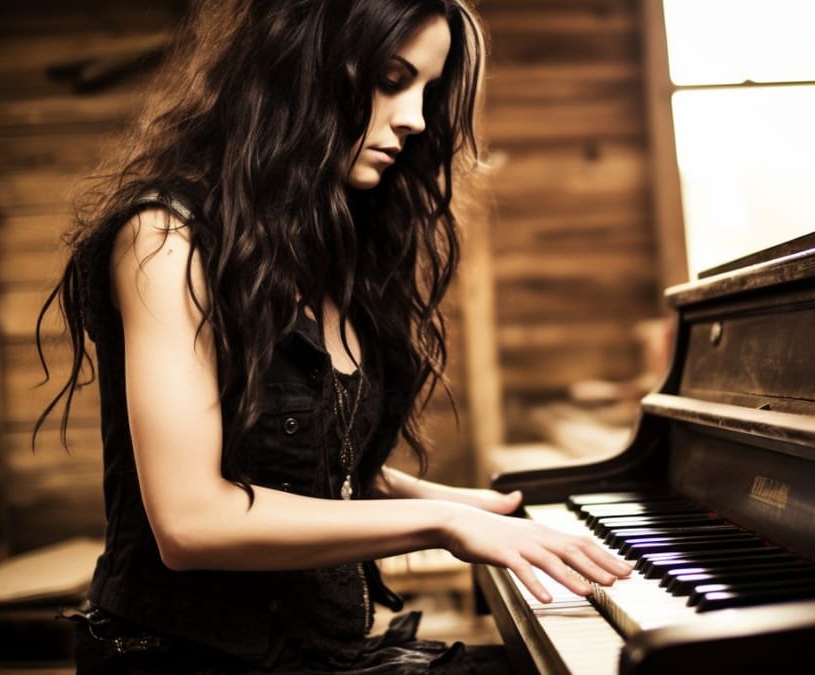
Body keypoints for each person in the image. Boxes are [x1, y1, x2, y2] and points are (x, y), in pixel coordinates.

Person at [34, 1, 633, 673]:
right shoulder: (165, 239)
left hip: (319, 651)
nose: (414, 118)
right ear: (303, 68)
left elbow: (294, 457)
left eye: (428, 91)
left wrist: (458, 501)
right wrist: (447, 524)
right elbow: (192, 519)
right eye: (391, 78)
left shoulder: (327, 250)